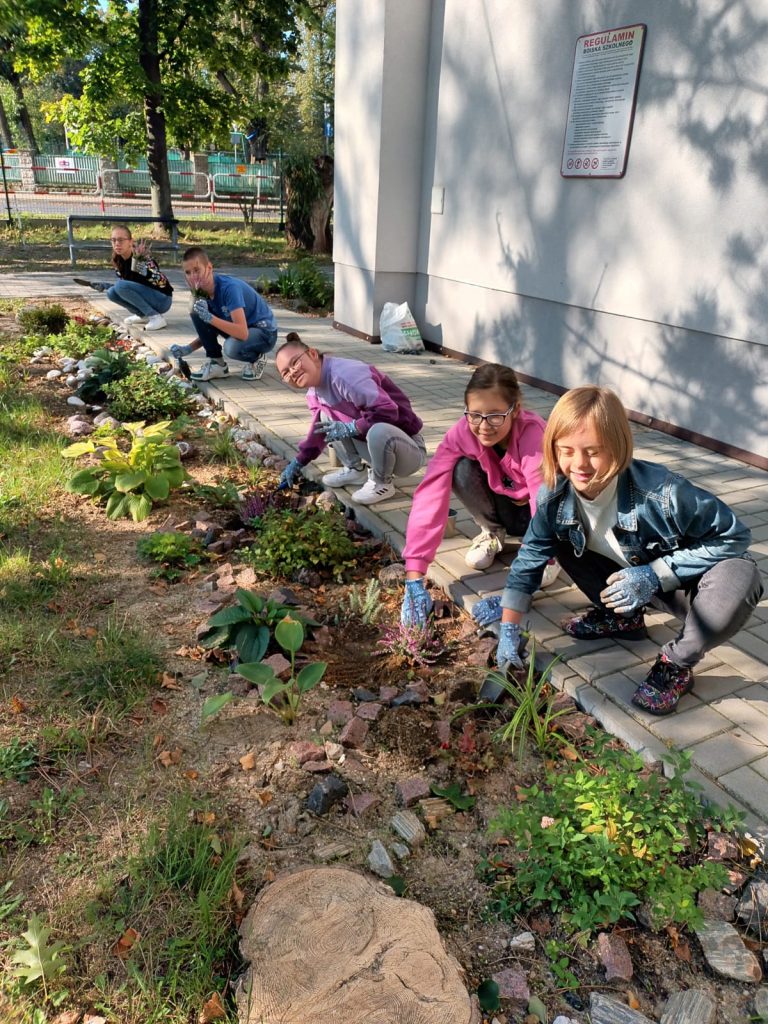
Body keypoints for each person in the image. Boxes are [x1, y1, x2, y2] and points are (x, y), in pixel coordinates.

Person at [483, 385, 762, 716]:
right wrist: (509, 630)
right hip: (628, 581)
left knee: (742, 573)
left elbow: (735, 536)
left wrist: (655, 574)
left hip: (686, 589)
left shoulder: (663, 492)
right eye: (566, 450)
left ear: (617, 446)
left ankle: (676, 663)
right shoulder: (554, 497)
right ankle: (622, 619)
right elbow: (528, 562)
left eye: (593, 451)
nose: (579, 464)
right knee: (556, 536)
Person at [400, 363, 559, 627]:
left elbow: (544, 503)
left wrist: (521, 585)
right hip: (506, 505)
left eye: (495, 415)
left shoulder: (533, 436)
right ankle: (493, 533)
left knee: (543, 518)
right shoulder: (463, 432)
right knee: (459, 469)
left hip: (542, 518)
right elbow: (430, 491)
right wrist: (414, 576)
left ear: (515, 409)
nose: (484, 426)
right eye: (475, 415)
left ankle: (550, 558)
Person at [275, 332, 427, 505]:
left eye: (295, 362)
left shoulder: (345, 375)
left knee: (378, 430)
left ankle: (382, 483)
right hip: (375, 449)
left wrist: (352, 427)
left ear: (312, 354)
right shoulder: (313, 393)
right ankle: (355, 470)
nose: (293, 372)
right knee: (325, 419)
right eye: (285, 373)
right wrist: (298, 462)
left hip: (407, 451)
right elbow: (318, 433)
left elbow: (388, 411)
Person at [168, 246, 278, 382]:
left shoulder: (229, 288)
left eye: (197, 270)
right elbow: (211, 331)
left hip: (264, 333)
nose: (193, 277)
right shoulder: (201, 294)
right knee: (194, 305)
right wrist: (189, 348)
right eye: (188, 273)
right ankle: (217, 364)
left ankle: (257, 359)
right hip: (241, 332)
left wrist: (210, 318)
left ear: (209, 268)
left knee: (231, 348)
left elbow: (242, 333)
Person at [89, 225, 173, 331]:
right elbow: (126, 287)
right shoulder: (118, 260)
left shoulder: (140, 258)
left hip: (162, 299)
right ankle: (143, 315)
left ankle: (155, 317)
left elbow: (162, 282)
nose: (117, 243)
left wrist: (146, 271)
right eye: (113, 240)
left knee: (119, 286)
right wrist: (105, 286)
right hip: (148, 297)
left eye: (121, 240)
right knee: (111, 293)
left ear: (131, 242)